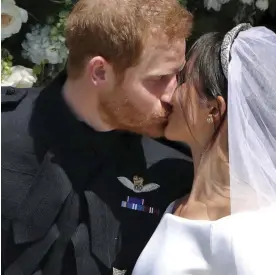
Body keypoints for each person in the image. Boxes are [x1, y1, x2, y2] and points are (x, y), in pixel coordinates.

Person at [132, 24, 276, 275]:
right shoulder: (177, 200)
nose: (170, 91)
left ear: (214, 110)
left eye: (183, 80)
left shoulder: (248, 241)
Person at [1, 0, 194, 274]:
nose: (173, 94)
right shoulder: (4, 133)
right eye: (159, 78)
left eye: (178, 74)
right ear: (100, 72)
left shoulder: (172, 170)